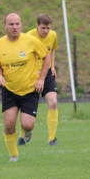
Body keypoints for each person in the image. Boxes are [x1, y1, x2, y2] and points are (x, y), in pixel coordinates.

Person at [0, 13, 50, 162]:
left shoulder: (31, 41)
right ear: (5, 26)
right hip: (10, 90)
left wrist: (42, 79)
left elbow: (46, 57)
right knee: (9, 123)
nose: (15, 27)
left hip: (30, 90)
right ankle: (14, 155)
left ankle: (28, 132)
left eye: (17, 24)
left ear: (21, 25)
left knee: (27, 125)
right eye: (11, 24)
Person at [18, 13, 59, 146]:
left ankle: (52, 139)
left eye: (48, 28)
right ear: (37, 26)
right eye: (43, 28)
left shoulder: (53, 35)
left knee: (53, 103)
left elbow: (52, 49)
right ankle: (22, 135)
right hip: (31, 74)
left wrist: (52, 66)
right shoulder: (28, 37)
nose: (46, 31)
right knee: (25, 104)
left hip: (46, 73)